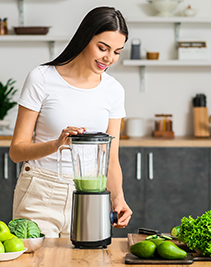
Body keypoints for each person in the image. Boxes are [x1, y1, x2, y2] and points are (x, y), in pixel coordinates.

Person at [9, 6, 132, 238]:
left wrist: (118, 198)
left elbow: (111, 159)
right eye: (102, 48)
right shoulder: (42, 78)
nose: (109, 58)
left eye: (117, 51)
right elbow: (16, 151)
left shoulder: (114, 90)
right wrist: (57, 144)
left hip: (90, 195)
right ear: (85, 39)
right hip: (40, 192)